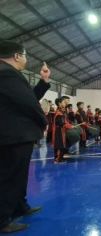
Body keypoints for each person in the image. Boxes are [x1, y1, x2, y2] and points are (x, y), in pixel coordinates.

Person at [0, 40, 51, 233]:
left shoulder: (9, 74)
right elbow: (29, 104)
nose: (25, 59)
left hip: (17, 135)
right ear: (16, 56)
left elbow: (28, 97)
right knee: (8, 177)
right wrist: (43, 121)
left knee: (19, 175)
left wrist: (43, 81)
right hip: (12, 135)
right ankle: (2, 218)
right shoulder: (7, 74)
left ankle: (19, 206)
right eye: (25, 55)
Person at [52, 96, 72, 163]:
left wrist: (68, 124)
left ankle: (60, 158)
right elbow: (61, 123)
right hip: (59, 132)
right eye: (63, 102)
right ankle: (57, 160)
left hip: (61, 131)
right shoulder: (59, 113)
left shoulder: (62, 111)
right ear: (59, 103)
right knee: (59, 145)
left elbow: (64, 121)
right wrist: (68, 126)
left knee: (61, 145)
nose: (65, 103)